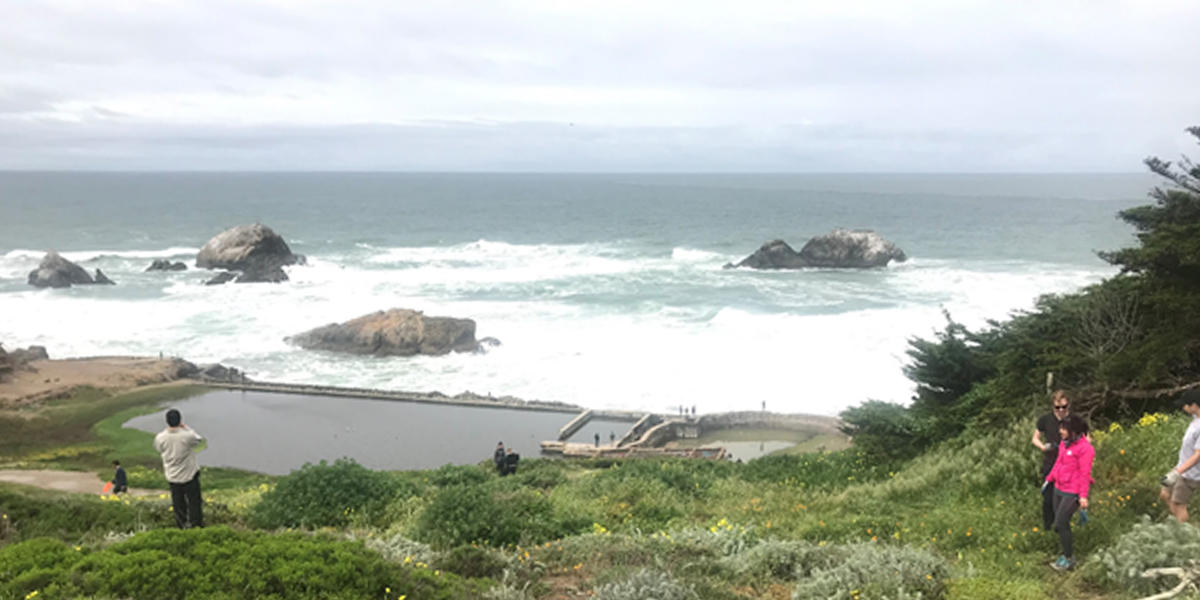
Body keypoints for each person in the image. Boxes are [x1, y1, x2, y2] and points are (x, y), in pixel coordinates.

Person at [1044, 413, 1093, 571]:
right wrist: (1049, 479)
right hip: (1059, 488)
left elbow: (1085, 474)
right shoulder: (1065, 444)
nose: (1061, 432)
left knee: (1061, 522)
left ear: (1074, 431)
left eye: (1064, 429)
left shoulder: (1086, 449)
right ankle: (1065, 553)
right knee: (1058, 525)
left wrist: (1083, 496)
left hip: (1072, 491)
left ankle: (1069, 559)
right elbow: (1059, 463)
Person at [153, 408, 205, 529]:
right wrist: (185, 427)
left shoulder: (160, 437)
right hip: (189, 475)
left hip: (172, 476)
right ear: (180, 420)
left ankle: (181, 526)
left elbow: (159, 449)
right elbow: (198, 439)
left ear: (167, 421)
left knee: (178, 504)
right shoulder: (186, 436)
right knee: (194, 503)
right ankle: (196, 526)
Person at [1160, 389, 1200, 523]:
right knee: (1165, 493)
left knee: (1179, 504)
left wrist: (1178, 472)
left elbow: (1197, 455)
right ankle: (1178, 522)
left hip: (1191, 473)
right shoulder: (1196, 419)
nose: (1183, 407)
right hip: (1181, 467)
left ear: (1194, 406)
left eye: (1186, 405)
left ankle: (1185, 534)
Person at [1032, 390, 1070, 530]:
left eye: (1064, 407)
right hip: (1050, 463)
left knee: (1065, 499)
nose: (1061, 411)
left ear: (1068, 406)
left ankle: (1062, 528)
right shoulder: (1045, 420)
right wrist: (1042, 447)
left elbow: (1087, 438)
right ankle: (1047, 528)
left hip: (1068, 465)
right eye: (1057, 408)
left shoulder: (1074, 420)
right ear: (1053, 407)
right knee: (1048, 498)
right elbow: (1035, 438)